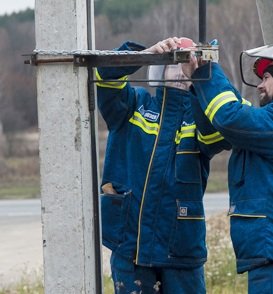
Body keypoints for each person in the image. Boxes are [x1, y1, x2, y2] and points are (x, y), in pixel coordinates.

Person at [182, 40, 273, 293]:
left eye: (267, 76)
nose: (259, 84)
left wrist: (208, 72)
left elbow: (230, 117)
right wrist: (199, 85)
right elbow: (212, 135)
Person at [96, 37, 216, 294]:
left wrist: (206, 78)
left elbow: (220, 134)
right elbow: (105, 76)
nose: (179, 72)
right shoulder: (134, 105)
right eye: (173, 63)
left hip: (181, 253)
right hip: (131, 249)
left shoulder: (203, 117)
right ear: (156, 68)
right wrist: (141, 56)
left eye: (186, 64)